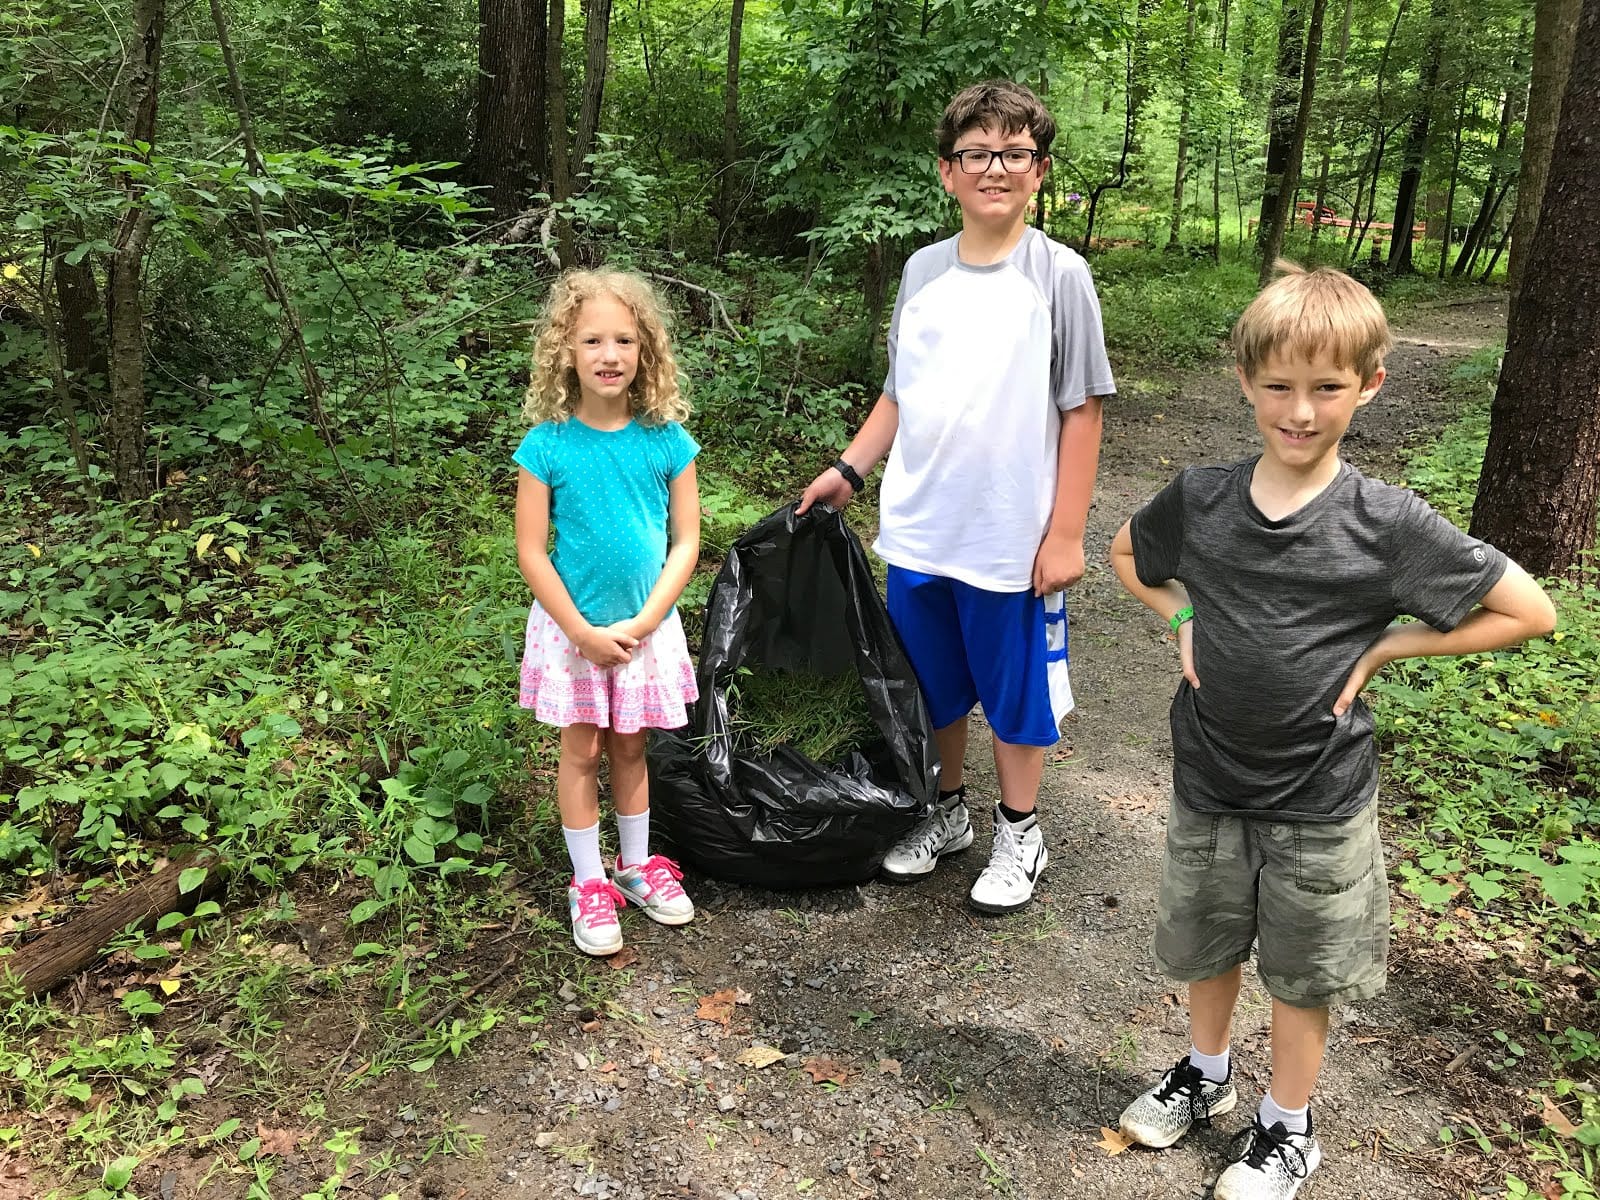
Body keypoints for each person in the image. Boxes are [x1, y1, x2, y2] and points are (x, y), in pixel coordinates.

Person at [1108, 262, 1556, 1199]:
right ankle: (1205, 1070)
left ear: (1370, 385)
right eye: (1278, 387)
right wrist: (1182, 618)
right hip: (1209, 776)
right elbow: (1123, 555)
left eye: (1327, 388)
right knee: (1209, 940)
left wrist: (1388, 648)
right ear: (1245, 381)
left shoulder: (1385, 522)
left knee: (1303, 969)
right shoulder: (1200, 498)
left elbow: (1529, 611)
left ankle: (1287, 1128)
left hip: (1320, 796)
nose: (1300, 411)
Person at [799, 79, 1116, 914]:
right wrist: (850, 470)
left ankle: (1022, 830)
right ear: (947, 172)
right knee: (930, 685)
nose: (995, 168)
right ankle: (947, 814)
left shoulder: (1060, 274)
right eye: (977, 153)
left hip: (1011, 536)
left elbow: (1082, 409)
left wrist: (1066, 533)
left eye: (1015, 153)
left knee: (1015, 694)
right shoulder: (922, 271)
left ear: (1039, 171)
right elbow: (900, 394)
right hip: (920, 527)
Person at [514, 269, 703, 957]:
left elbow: (686, 541)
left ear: (645, 350)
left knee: (631, 746)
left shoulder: (666, 441)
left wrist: (648, 620)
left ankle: (634, 864)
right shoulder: (547, 446)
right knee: (582, 748)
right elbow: (533, 552)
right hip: (573, 631)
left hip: (645, 627)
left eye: (624, 339)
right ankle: (589, 881)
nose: (609, 354)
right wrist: (581, 632)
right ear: (566, 351)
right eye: (592, 339)